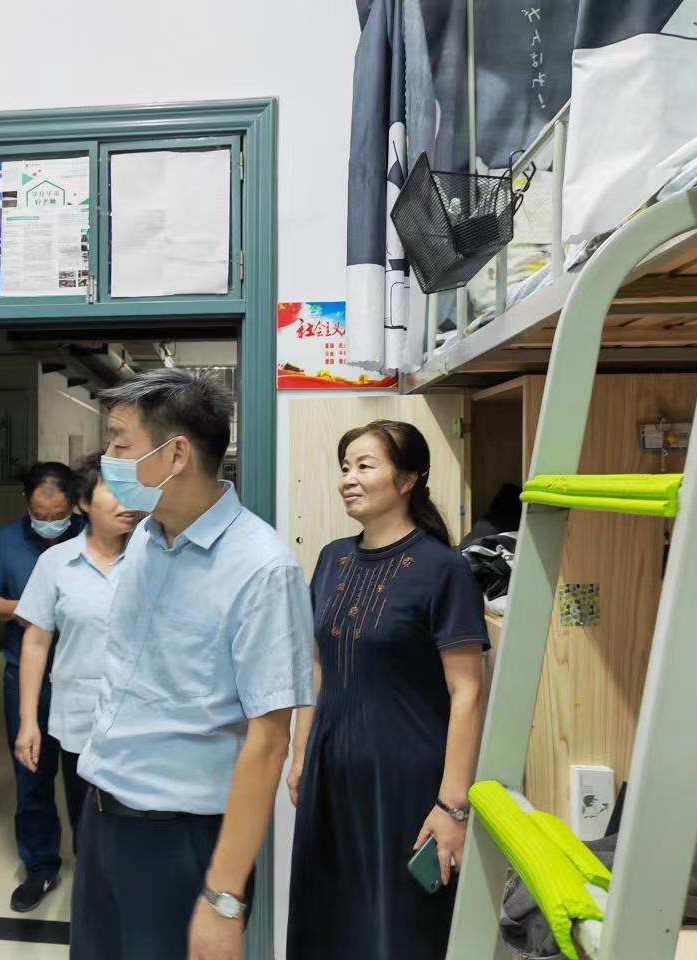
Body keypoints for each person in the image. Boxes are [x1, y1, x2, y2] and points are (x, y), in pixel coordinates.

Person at [70, 368, 315, 960]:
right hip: (102, 815)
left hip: (179, 838)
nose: (108, 461)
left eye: (120, 445)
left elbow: (268, 741)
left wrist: (223, 896)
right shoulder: (146, 539)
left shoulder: (262, 569)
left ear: (176, 454)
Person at [287, 420, 488, 960]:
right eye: (345, 467)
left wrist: (452, 806)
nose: (348, 478)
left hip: (407, 783)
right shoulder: (332, 558)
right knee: (328, 924)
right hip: (331, 773)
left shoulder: (444, 570)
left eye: (365, 465)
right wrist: (301, 752)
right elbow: (316, 663)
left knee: (401, 930)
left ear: (407, 479)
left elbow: (467, 692)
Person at [13, 453, 138, 847]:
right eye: (114, 492)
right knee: (88, 831)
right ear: (83, 503)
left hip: (144, 723)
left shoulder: (155, 557)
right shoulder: (56, 563)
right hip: (79, 719)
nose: (128, 502)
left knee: (138, 836)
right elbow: (36, 642)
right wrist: (28, 721)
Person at [0, 461, 85, 912]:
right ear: (26, 504)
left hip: (82, 676)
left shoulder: (93, 538)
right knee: (32, 773)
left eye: (57, 515)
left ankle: (94, 866)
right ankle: (40, 866)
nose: (48, 523)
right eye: (39, 515)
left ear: (74, 505)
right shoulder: (6, 541)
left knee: (86, 777)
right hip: (25, 674)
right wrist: (32, 607)